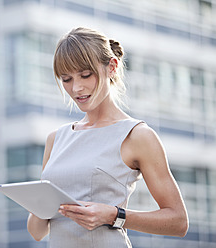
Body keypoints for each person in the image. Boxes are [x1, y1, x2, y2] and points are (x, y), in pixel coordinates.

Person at [27, 27, 188, 247]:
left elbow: (178, 222)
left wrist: (114, 215)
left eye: (85, 75)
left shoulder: (137, 136)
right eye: (66, 79)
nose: (77, 88)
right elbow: (37, 232)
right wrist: (38, 202)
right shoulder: (55, 139)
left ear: (111, 67)